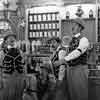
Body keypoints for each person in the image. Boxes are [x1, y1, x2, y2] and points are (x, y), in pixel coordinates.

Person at [54, 18, 89, 100]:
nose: (72, 27)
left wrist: (62, 60)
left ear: (80, 28)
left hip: (79, 70)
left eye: (75, 25)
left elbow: (78, 52)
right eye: (72, 24)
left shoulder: (84, 40)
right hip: (70, 70)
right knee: (72, 95)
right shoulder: (71, 41)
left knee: (80, 94)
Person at [0, 31, 26, 100]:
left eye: (13, 38)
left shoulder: (20, 52)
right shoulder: (2, 53)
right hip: (7, 80)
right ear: (5, 42)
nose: (12, 39)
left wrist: (24, 78)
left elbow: (23, 66)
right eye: (10, 38)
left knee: (18, 96)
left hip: (19, 79)